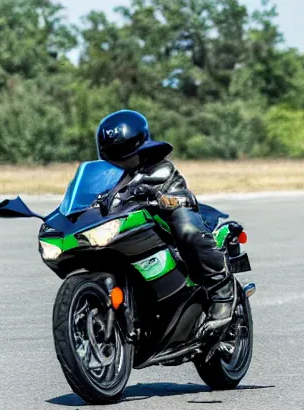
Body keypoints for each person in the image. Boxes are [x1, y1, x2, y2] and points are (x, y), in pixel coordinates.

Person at [96, 109, 237, 331]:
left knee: (188, 231)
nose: (120, 160)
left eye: (124, 153)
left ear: (140, 147)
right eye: (113, 155)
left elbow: (170, 193)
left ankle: (222, 291)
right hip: (129, 231)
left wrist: (159, 197)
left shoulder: (159, 168)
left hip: (167, 214)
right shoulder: (106, 179)